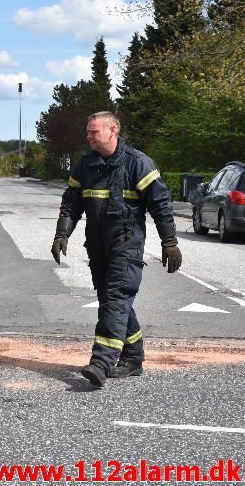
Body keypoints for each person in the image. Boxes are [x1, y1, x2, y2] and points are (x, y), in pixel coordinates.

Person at [51, 111, 182, 388]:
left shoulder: (138, 163)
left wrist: (169, 243)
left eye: (94, 132)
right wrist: (62, 233)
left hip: (127, 244)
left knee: (115, 297)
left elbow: (161, 206)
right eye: (88, 131)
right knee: (115, 301)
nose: (88, 136)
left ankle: (102, 361)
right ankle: (133, 357)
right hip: (97, 245)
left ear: (113, 131)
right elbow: (71, 203)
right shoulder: (85, 165)